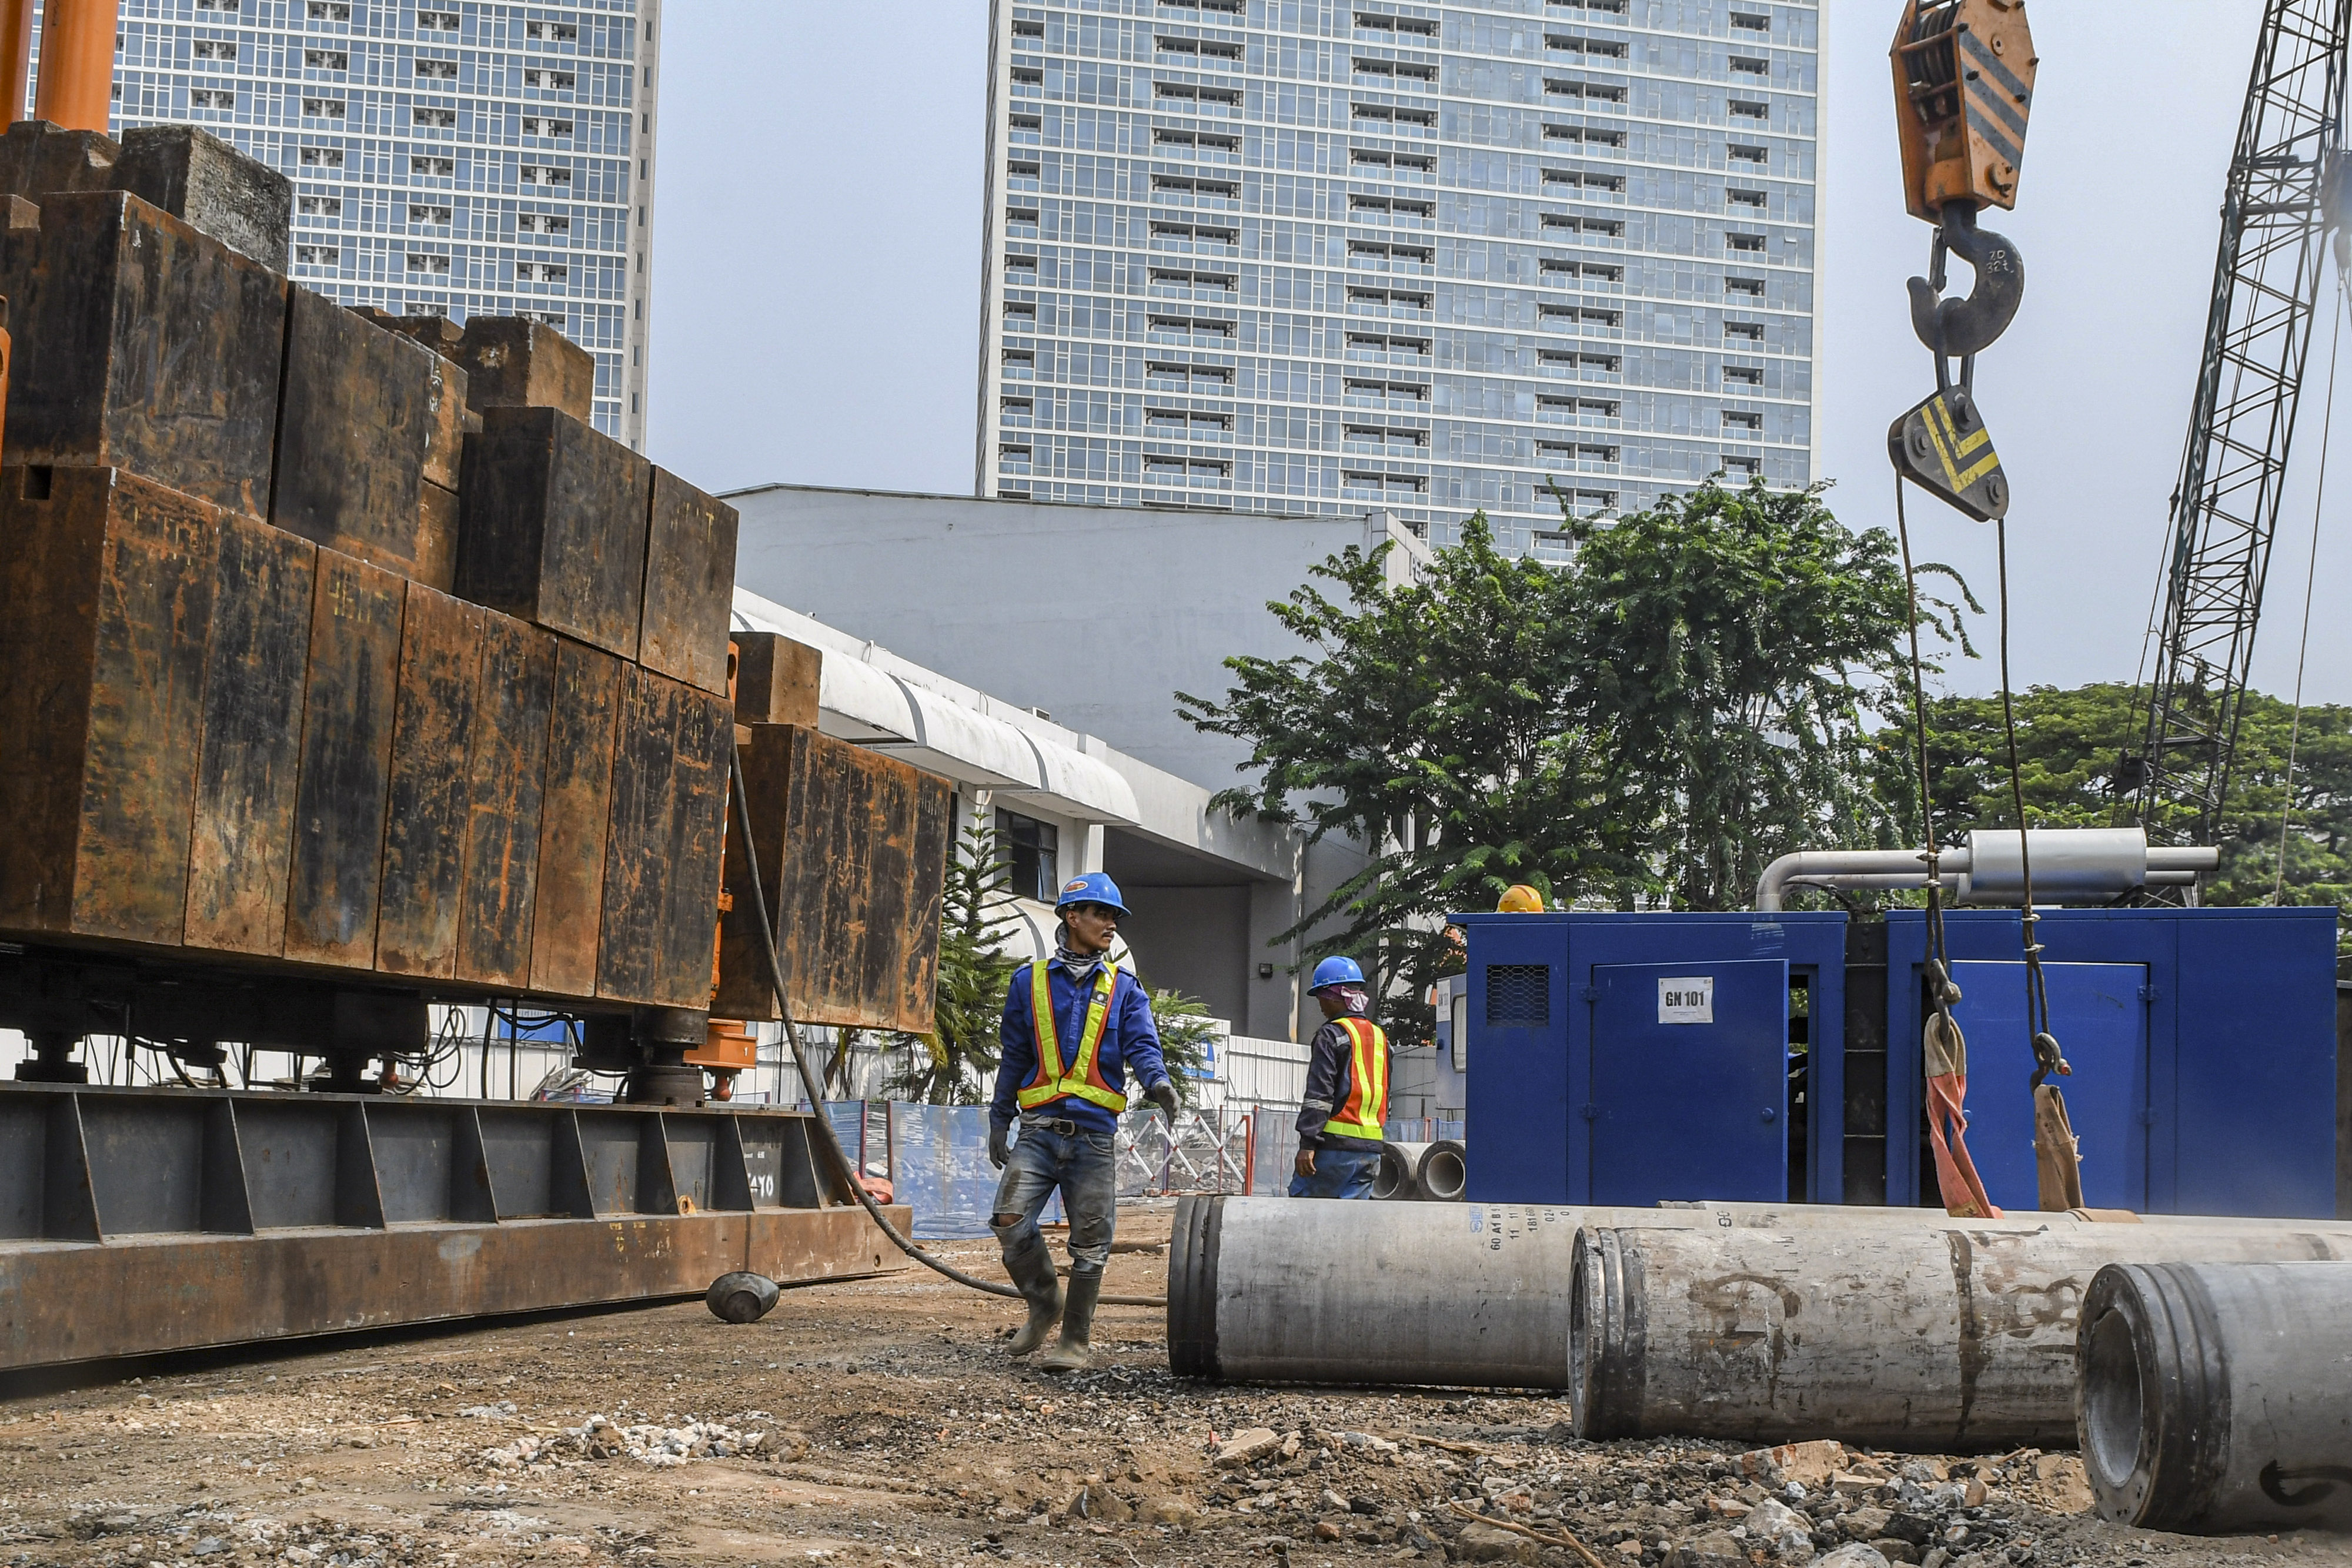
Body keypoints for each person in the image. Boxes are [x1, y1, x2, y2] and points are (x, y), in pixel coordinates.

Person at [987, 871, 1179, 1373]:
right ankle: (1044, 1301)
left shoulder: (1125, 989)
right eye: (1101, 914)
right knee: (1009, 1218)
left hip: (1093, 1136)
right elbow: (1014, 1056)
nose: (1111, 924)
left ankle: (1075, 1338)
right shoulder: (1028, 982)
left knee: (1092, 1242)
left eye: (1114, 916)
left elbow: (1142, 1045)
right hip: (1038, 1129)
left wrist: (1158, 1082)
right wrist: (999, 1118)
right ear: (1072, 916)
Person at [1290, 956, 1390, 1199]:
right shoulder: (1380, 1037)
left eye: (1321, 998)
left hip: (1334, 1150)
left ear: (1334, 996)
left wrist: (1308, 1144)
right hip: (1371, 1151)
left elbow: (1319, 1096)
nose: (1321, 1006)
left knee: (1305, 1214)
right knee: (1352, 1220)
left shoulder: (1331, 1035)